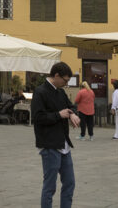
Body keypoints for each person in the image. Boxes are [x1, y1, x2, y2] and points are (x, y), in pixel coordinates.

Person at [31, 61, 79, 208]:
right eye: (65, 80)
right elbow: (38, 118)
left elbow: (71, 107)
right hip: (49, 144)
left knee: (70, 182)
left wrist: (72, 114)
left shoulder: (60, 91)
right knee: (50, 186)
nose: (66, 84)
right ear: (56, 75)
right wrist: (59, 115)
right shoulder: (40, 92)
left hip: (63, 144)